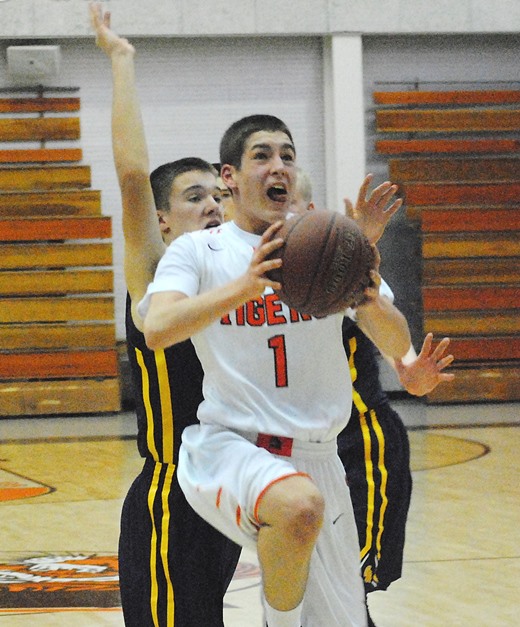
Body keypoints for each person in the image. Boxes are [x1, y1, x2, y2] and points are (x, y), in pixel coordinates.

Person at [139, 113, 414, 627]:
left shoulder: (324, 248)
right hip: (231, 446)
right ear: (230, 177)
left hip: (320, 458)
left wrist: (368, 283)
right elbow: (158, 328)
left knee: (337, 601)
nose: (278, 166)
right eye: (262, 155)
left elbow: (398, 344)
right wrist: (244, 287)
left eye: (287, 155)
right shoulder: (199, 250)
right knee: (298, 506)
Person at [89, 5, 241, 626]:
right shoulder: (156, 275)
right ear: (161, 219)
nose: (212, 205)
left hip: (230, 488)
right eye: (194, 196)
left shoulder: (237, 275)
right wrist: (122, 63)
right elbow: (131, 177)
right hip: (171, 499)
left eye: (218, 194)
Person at [290, 167, 455, 627]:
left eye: (295, 207)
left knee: (346, 591)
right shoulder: (236, 277)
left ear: (310, 214)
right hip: (280, 453)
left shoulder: (333, 270)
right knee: (292, 589)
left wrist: (360, 257)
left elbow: (395, 345)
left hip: (359, 448)